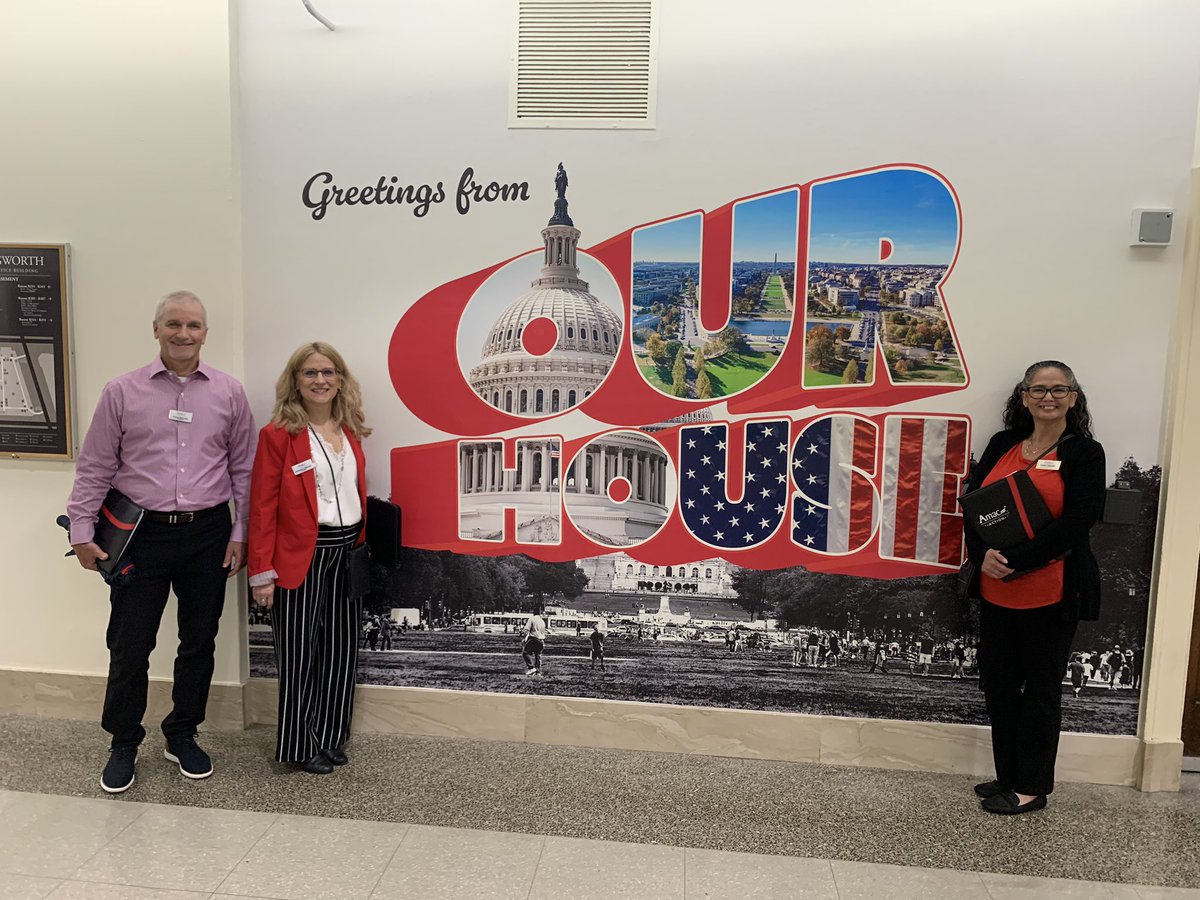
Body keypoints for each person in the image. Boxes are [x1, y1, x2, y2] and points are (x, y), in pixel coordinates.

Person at [66, 291, 255, 794]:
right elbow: (96, 466)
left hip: (207, 533)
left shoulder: (229, 394)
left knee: (198, 641)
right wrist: (82, 530)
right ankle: (124, 741)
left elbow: (244, 471)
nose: (184, 334)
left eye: (194, 325)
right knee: (130, 645)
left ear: (205, 334)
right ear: (156, 329)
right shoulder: (121, 391)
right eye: (174, 324)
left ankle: (182, 733)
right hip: (139, 535)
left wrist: (241, 532)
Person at [963, 360, 1105, 815]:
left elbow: (1080, 521)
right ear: (1023, 396)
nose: (1049, 397)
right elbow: (975, 504)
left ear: (1073, 397)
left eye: (1059, 389)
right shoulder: (1003, 443)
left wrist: (1016, 560)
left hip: (1052, 591)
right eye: (1039, 389)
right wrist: (983, 554)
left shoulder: (1085, 452)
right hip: (996, 588)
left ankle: (1031, 787)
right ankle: (1008, 775)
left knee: (1041, 692)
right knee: (1000, 687)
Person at [247, 342, 370, 775]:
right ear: (295, 381)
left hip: (348, 552)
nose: (320, 380)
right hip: (303, 556)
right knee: (300, 655)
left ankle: (332, 736)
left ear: (340, 380)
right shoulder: (278, 435)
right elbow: (261, 507)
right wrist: (261, 572)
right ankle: (299, 745)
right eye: (310, 373)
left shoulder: (348, 430)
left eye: (328, 372)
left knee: (341, 652)